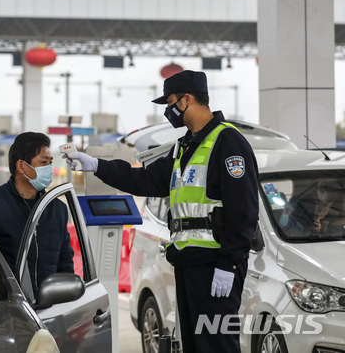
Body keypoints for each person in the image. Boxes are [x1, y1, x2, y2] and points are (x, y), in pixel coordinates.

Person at [67, 70, 258, 353]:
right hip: (187, 262)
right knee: (194, 345)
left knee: (216, 345)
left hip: (214, 265)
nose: (168, 111)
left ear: (187, 99)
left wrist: (229, 264)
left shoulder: (228, 143)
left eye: (170, 103)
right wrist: (96, 165)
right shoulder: (184, 147)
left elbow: (243, 210)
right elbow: (144, 179)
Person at [0, 132, 74, 296]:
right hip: (8, 310)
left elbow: (65, 262)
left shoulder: (56, 209)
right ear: (22, 166)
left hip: (50, 311)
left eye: (50, 163)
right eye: (43, 162)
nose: (49, 169)